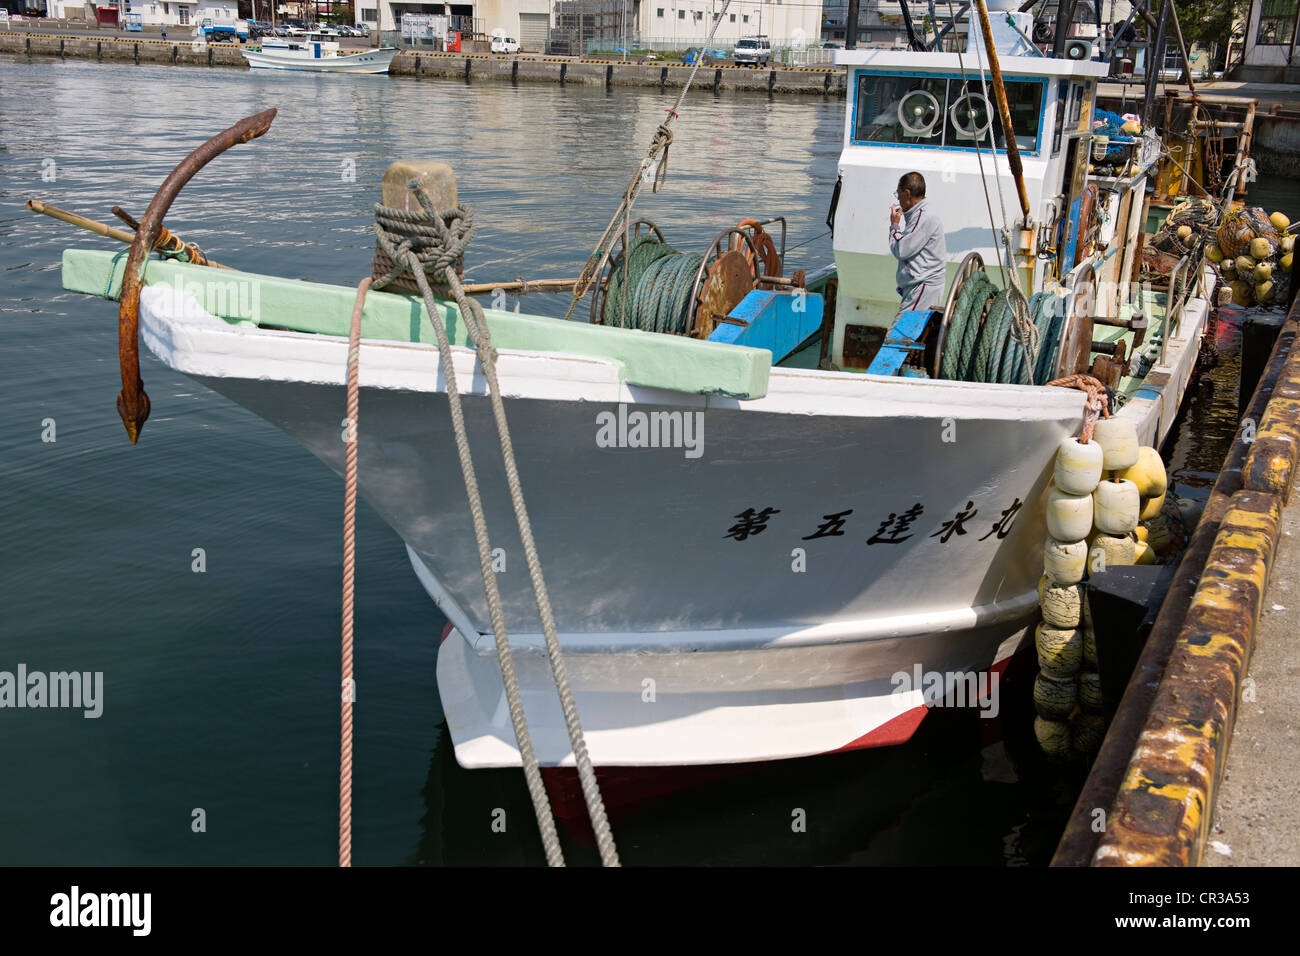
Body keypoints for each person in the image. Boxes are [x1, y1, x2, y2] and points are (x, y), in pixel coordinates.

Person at [888, 172, 947, 319]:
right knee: (912, 336)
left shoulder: (924, 216)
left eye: (898, 193)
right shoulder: (919, 214)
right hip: (920, 287)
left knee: (898, 337)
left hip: (922, 288)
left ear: (907, 194)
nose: (898, 198)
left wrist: (894, 226)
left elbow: (901, 249)